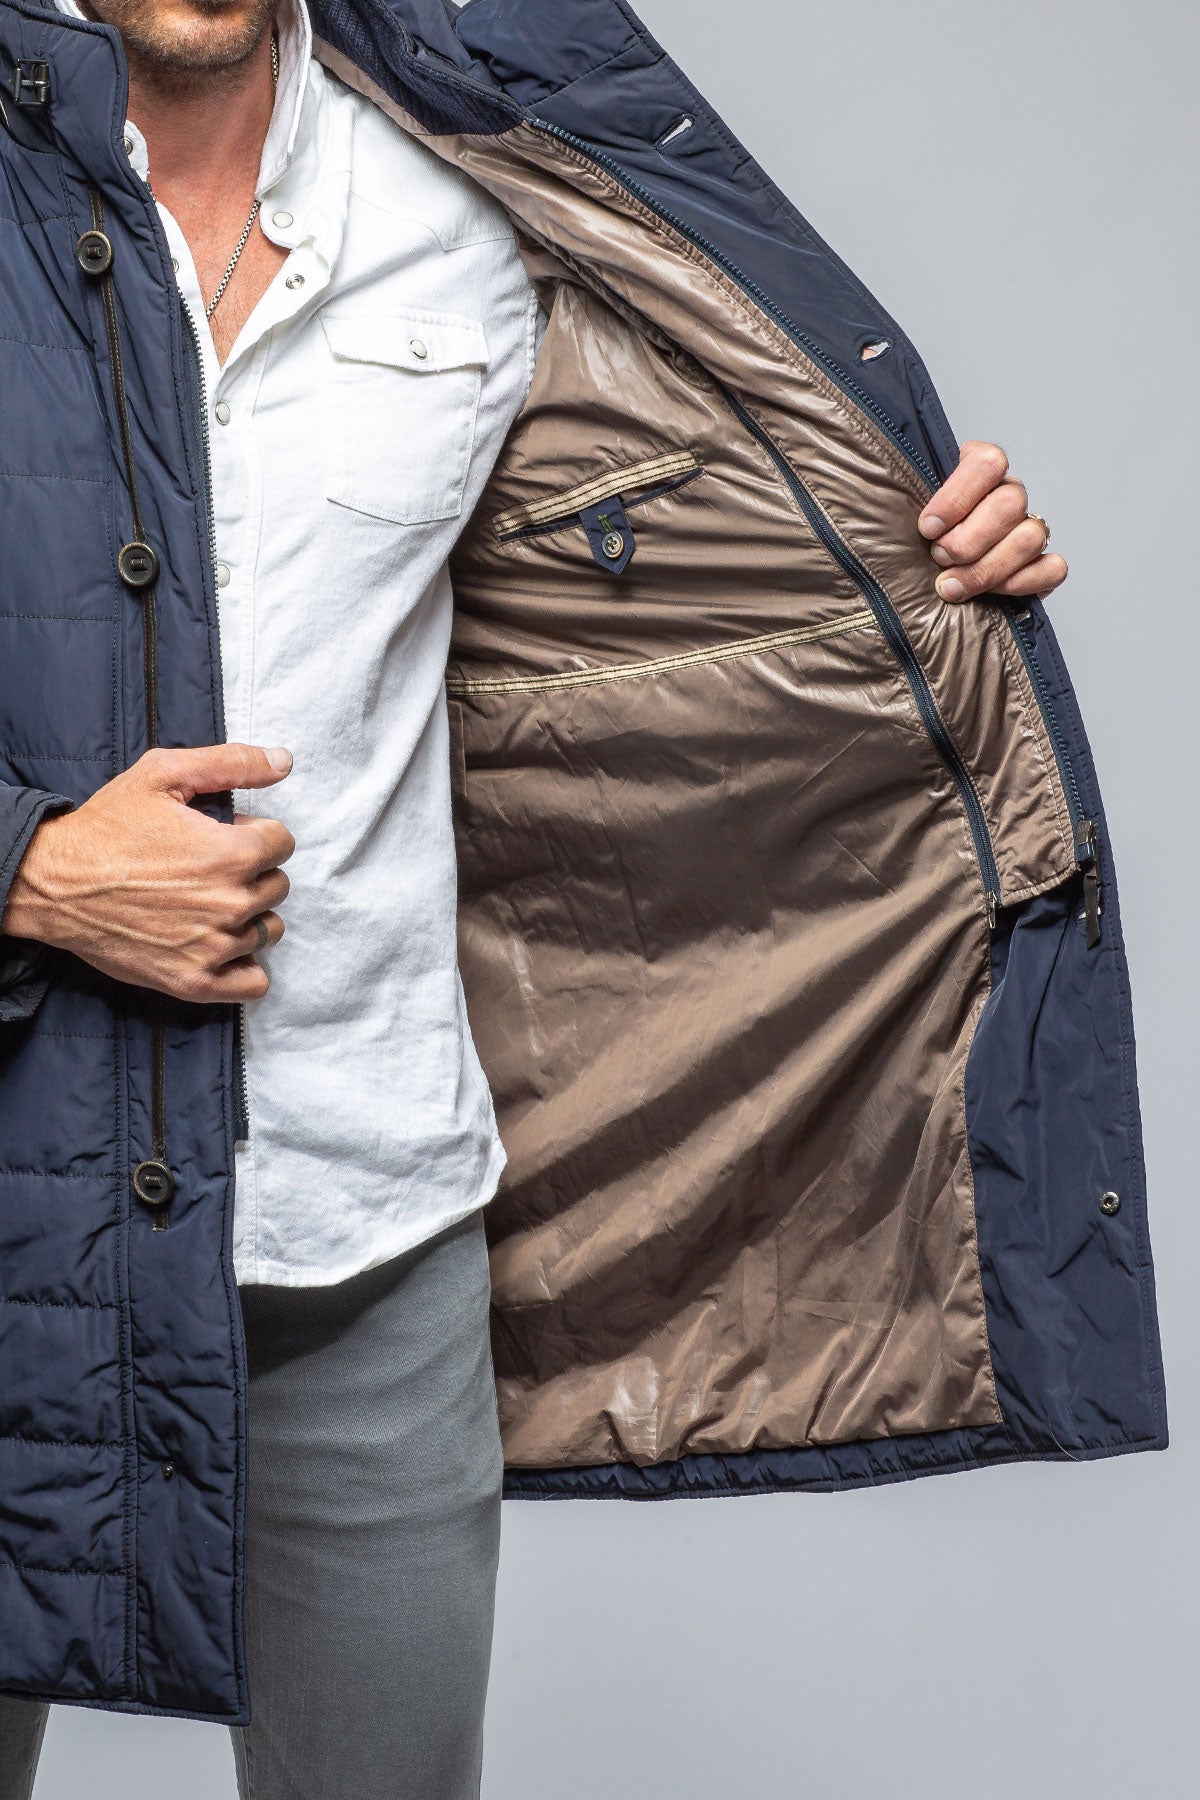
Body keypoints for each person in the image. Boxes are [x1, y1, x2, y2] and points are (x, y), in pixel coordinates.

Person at [0, 1, 1164, 1796]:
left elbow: (676, 559)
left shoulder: (468, 206)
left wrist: (915, 570)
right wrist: (29, 871)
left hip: (363, 1245)